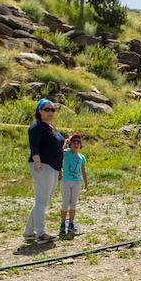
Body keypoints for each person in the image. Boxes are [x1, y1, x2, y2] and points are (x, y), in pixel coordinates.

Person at [24, 98, 65, 244]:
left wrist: (59, 169)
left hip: (53, 167)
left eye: (52, 109)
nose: (50, 112)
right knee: (42, 200)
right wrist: (37, 160)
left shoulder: (50, 127)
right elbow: (34, 145)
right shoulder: (37, 126)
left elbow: (58, 147)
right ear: (39, 111)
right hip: (43, 165)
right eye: (46, 109)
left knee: (44, 200)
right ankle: (40, 233)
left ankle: (29, 231)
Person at [58, 132, 88, 235]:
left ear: (80, 145)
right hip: (66, 181)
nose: (76, 144)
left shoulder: (81, 157)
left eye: (78, 142)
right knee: (65, 202)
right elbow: (58, 153)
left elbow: (83, 171)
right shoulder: (67, 153)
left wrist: (86, 184)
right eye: (74, 142)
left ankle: (71, 223)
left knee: (73, 203)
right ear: (71, 144)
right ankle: (62, 224)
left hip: (77, 182)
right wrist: (65, 144)